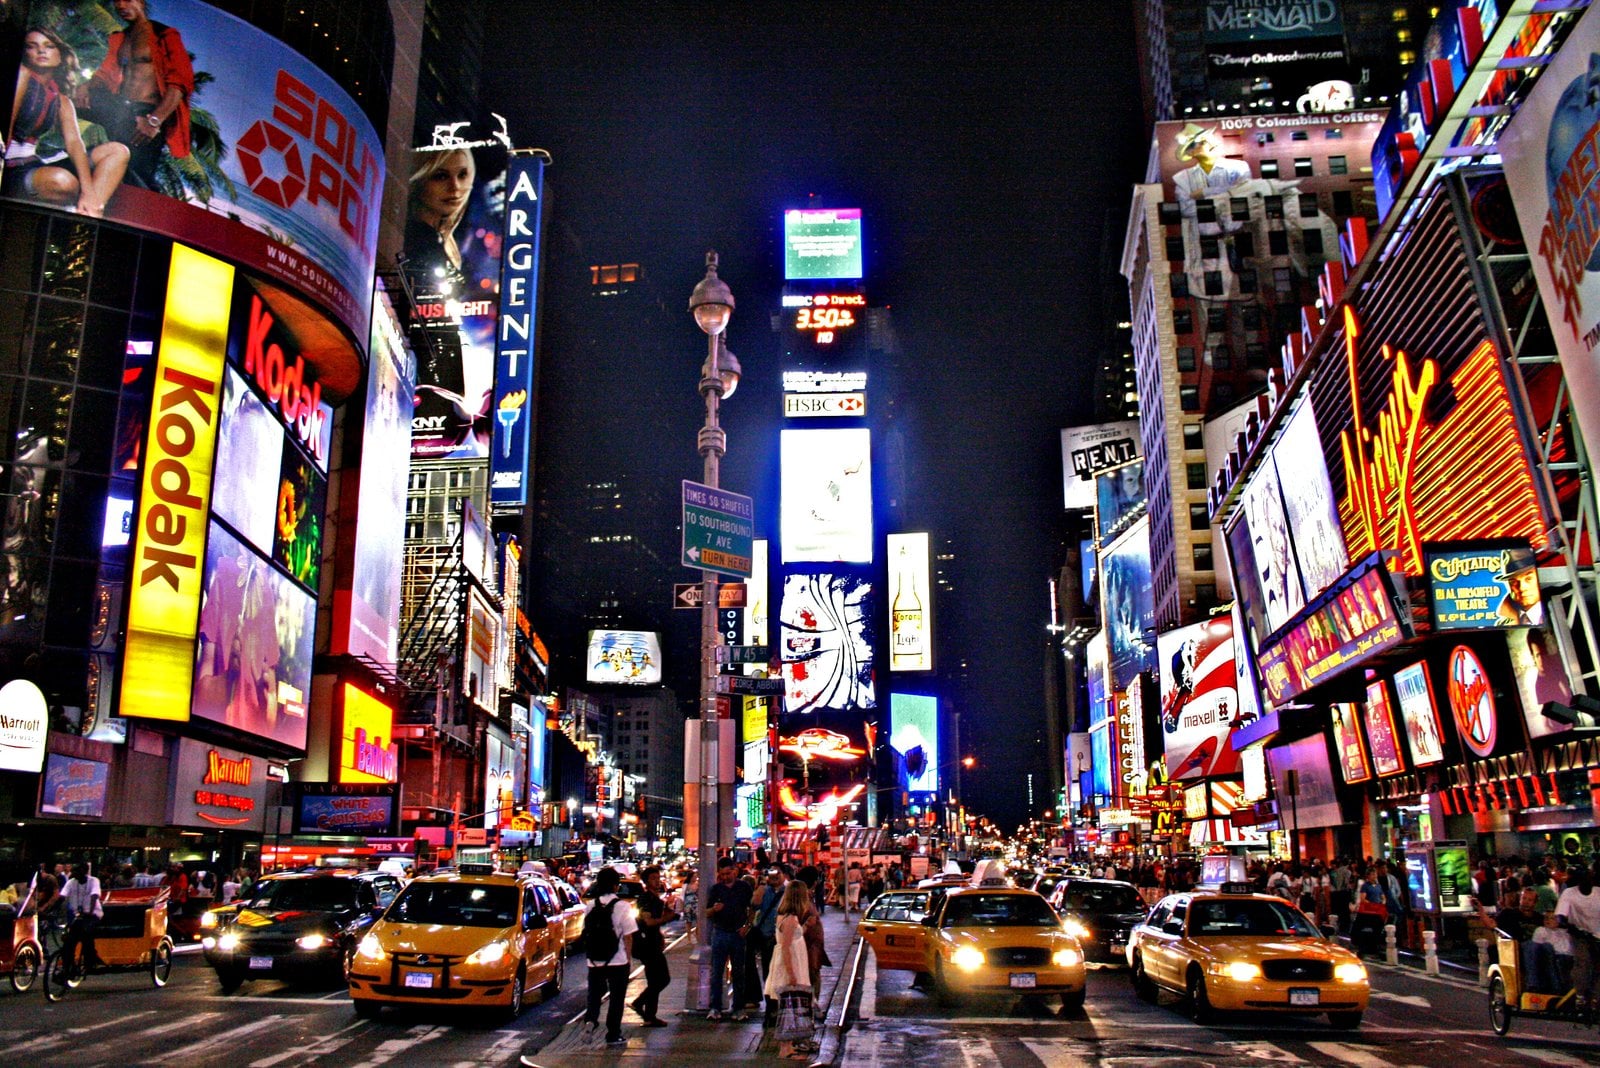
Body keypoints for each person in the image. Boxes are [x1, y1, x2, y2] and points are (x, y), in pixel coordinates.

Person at [6, 27, 128, 216]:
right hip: (10, 166)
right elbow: (6, 125)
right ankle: (79, 213)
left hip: (35, 163)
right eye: (32, 46)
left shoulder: (61, 99)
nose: (41, 51)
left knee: (118, 151)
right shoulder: (21, 75)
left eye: (49, 46)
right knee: (62, 182)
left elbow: (74, 144)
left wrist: (89, 193)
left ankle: (87, 213)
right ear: (25, 53)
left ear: (60, 55)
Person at [77, 0, 194, 191]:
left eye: (127, 0)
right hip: (120, 109)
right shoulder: (121, 38)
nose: (121, 6)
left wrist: (155, 120)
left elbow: (180, 83)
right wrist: (85, 87)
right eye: (117, 2)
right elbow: (106, 73)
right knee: (67, 102)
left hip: (147, 115)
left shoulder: (165, 35)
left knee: (134, 178)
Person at [405, 147, 475, 291]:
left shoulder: (444, 242)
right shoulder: (413, 237)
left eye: (462, 175)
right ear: (419, 179)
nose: (455, 187)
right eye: (441, 176)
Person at [581, 867, 637, 1046]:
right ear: (616, 886)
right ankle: (613, 1034)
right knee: (616, 998)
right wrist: (628, 960)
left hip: (594, 960)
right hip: (617, 960)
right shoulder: (623, 906)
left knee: (594, 994)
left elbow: (586, 932)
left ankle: (591, 1020)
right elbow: (628, 936)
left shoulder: (590, 905)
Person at [766, 880, 817, 1061]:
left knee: (790, 1006)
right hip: (790, 964)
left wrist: (805, 927)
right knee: (788, 1006)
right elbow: (787, 946)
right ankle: (785, 1048)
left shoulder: (788, 917)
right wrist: (791, 973)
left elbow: (792, 939)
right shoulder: (789, 919)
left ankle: (788, 1045)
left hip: (793, 962)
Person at [705, 857, 752, 1021]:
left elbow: (752, 909)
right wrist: (714, 909)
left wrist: (747, 926)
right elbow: (707, 912)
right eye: (723, 874)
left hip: (737, 934)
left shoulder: (744, 887)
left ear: (735, 871)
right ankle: (715, 1007)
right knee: (717, 972)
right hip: (720, 932)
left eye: (728, 873)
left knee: (738, 972)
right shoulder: (716, 889)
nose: (725, 877)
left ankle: (738, 1008)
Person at [627, 865, 675, 1028]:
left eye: (658, 877)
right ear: (646, 881)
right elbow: (648, 922)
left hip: (652, 942)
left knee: (655, 980)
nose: (657, 881)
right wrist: (668, 918)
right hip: (646, 944)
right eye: (653, 879)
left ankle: (649, 1015)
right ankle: (640, 1004)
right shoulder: (645, 899)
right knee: (662, 979)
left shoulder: (656, 898)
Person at [1555, 862, 1600, 1012]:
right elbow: (1560, 915)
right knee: (1583, 961)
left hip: (1597, 935)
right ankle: (1580, 996)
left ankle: (1596, 997)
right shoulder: (1569, 894)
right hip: (1578, 934)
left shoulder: (1598, 893)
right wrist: (1568, 925)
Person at [749, 868, 785, 1022]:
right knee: (768, 974)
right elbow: (754, 904)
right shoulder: (765, 891)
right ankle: (770, 1008)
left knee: (782, 973)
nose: (774, 877)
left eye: (777, 874)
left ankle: (780, 1007)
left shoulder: (788, 891)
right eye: (771, 874)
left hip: (783, 938)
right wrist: (761, 886)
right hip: (767, 937)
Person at [60, 863, 103, 974]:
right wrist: (54, 910)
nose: (73, 873)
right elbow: (62, 896)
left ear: (84, 871)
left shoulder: (94, 881)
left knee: (86, 932)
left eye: (76, 871)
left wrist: (90, 911)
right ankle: (68, 965)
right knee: (69, 940)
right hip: (78, 916)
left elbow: (94, 895)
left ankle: (91, 959)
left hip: (93, 915)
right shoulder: (71, 882)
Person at [1494, 548, 1544, 626]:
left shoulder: (1555, 609)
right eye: (1514, 582)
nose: (1521, 587)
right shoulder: (1502, 623)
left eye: (1528, 578)